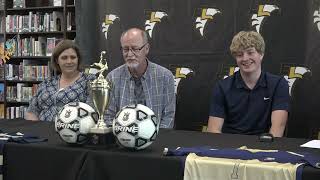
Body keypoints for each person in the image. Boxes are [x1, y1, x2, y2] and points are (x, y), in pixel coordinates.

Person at [207, 31, 289, 137]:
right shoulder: (222, 87)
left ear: (261, 54)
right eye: (240, 54)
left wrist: (264, 151)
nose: (245, 58)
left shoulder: (278, 84)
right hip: (229, 147)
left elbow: (277, 130)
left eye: (250, 52)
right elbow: (213, 131)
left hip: (263, 146)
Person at [103, 27, 175, 128]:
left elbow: (168, 117)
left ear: (146, 49)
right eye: (125, 49)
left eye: (135, 49)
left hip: (157, 139)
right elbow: (108, 117)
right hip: (122, 138)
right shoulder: (112, 78)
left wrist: (156, 138)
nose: (130, 54)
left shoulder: (165, 77)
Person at [25, 40, 95, 121]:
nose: (69, 61)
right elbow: (31, 112)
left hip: (72, 132)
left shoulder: (89, 81)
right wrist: (37, 129)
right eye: (64, 58)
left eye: (73, 57)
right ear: (57, 60)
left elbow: (91, 114)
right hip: (41, 131)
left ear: (78, 59)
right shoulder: (47, 83)